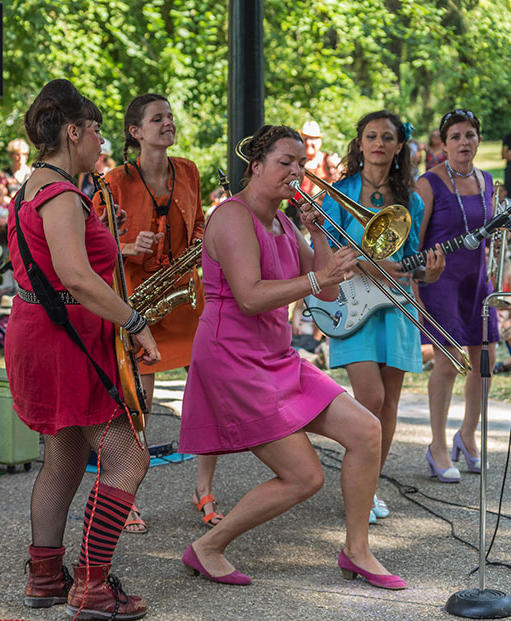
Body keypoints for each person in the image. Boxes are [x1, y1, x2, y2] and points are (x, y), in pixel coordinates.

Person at [180, 125, 405, 590]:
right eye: (286, 162)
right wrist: (319, 275)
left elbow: (329, 290)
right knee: (304, 477)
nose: (297, 172)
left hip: (275, 355)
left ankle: (357, 550)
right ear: (256, 166)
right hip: (232, 361)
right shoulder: (232, 216)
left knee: (367, 430)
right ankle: (208, 547)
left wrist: (317, 231)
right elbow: (249, 297)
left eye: (300, 163)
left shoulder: (282, 222)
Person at [5, 79, 159, 619]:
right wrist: (134, 320)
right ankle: (92, 587)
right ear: (73, 132)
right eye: (96, 131)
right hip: (66, 339)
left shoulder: (35, 186)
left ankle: (46, 576)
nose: (101, 143)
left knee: (64, 458)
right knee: (128, 459)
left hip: (42, 331)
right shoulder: (63, 193)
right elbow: (75, 275)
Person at [322, 111, 445, 523]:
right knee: (370, 398)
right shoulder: (339, 192)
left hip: (397, 305)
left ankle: (367, 487)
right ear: (360, 143)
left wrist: (430, 273)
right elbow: (326, 252)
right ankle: (358, 481)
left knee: (389, 403)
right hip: (354, 304)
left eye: (387, 137)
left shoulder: (411, 199)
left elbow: (413, 261)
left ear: (399, 146)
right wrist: (366, 264)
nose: (378, 143)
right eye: (371, 136)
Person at [103, 93, 210, 534]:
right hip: (139, 300)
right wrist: (128, 246)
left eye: (170, 116)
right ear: (136, 132)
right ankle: (126, 498)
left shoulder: (188, 170)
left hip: (184, 296)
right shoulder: (113, 181)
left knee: (207, 393)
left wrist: (200, 240)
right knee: (138, 405)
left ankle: (205, 489)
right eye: (157, 118)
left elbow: (198, 220)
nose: (168, 123)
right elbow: (94, 241)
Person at [416, 109, 498, 483]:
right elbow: (415, 245)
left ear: (478, 139)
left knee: (485, 362)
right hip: (441, 281)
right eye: (456, 137)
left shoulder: (488, 181)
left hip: (477, 281)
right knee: (448, 363)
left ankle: (467, 435)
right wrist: (417, 289)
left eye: (470, 135)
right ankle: (436, 445)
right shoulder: (429, 183)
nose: (464, 142)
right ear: (444, 143)